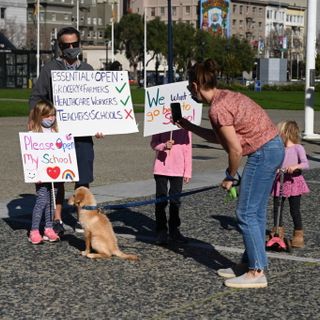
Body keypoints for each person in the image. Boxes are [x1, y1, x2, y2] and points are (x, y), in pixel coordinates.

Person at [178, 59, 285, 289]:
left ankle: (256, 271)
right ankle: (249, 263)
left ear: (196, 85)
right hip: (272, 147)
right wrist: (188, 126)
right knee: (254, 211)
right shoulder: (224, 97)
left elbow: (235, 149)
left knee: (245, 212)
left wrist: (230, 175)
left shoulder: (218, 108)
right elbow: (222, 138)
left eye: (189, 87)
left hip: (263, 152)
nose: (189, 91)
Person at [29, 26, 103, 234]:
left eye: (74, 44)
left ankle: (84, 217)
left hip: (83, 135)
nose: (71, 48)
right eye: (66, 45)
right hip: (57, 134)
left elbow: (97, 103)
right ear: (59, 47)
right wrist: (37, 120)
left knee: (84, 176)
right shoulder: (49, 69)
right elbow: (36, 97)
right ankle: (57, 220)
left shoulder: (88, 70)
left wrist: (101, 124)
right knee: (58, 178)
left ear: (80, 45)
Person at [270, 120, 309, 248]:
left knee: (295, 209)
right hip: (279, 181)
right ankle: (277, 231)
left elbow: (305, 164)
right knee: (277, 208)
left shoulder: (298, 148)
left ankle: (298, 235)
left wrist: (295, 167)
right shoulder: (280, 149)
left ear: (286, 133)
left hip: (293, 182)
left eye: (279, 132)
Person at [150, 129, 192, 245]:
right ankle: (161, 230)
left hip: (178, 169)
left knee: (175, 201)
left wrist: (187, 171)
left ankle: (174, 230)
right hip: (161, 169)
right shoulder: (159, 125)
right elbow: (153, 144)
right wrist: (163, 146)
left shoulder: (185, 128)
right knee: (161, 201)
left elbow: (188, 149)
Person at [28, 100, 60, 244]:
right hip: (41, 175)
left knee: (52, 201)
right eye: (47, 116)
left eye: (53, 115)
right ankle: (34, 230)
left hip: (55, 174)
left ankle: (48, 228)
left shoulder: (55, 132)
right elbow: (30, 156)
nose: (51, 118)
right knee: (41, 201)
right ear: (39, 116)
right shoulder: (33, 134)